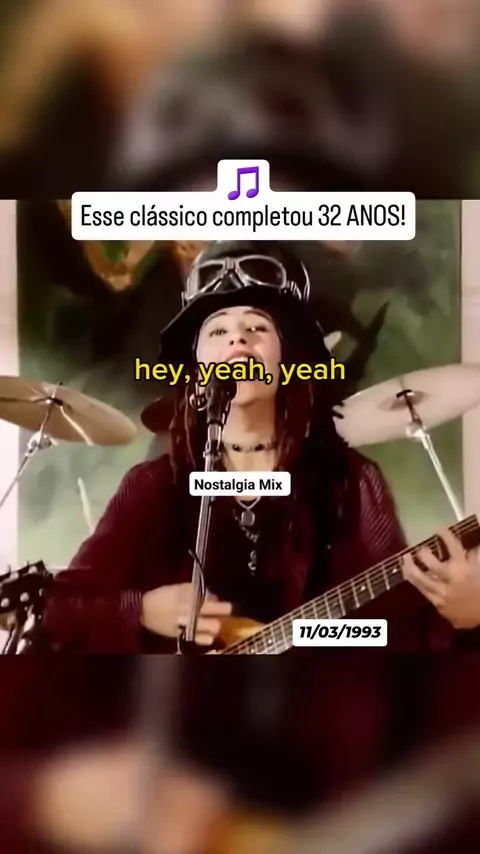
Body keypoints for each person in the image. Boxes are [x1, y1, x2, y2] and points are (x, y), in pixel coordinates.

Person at [40, 240, 480, 654]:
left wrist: (466, 616)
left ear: (288, 359)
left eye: (256, 327)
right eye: (218, 331)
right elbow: (60, 609)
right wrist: (140, 610)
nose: (238, 340)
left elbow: (393, 632)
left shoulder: (351, 483)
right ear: (195, 368)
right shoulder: (154, 486)